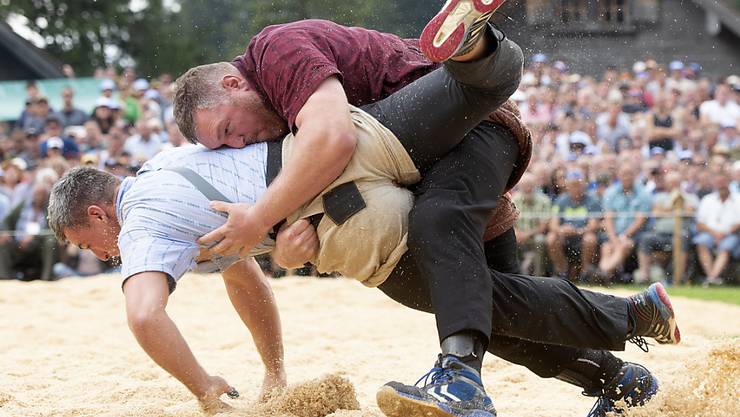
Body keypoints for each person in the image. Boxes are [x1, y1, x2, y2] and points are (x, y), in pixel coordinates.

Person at [49, 32, 679, 417]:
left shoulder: (143, 224)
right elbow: (246, 278)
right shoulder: (166, 171)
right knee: (487, 315)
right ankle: (619, 380)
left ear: (101, 215)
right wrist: (273, 366)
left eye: (93, 247)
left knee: (462, 282)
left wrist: (207, 389)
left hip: (366, 177)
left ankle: (633, 318)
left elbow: (142, 315)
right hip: (389, 160)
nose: (110, 258)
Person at [174, 4, 532, 416]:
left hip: (464, 118)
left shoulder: (275, 49)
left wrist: (259, 219)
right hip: (430, 162)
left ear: (234, 83)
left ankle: (473, 46)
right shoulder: (273, 122)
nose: (237, 144)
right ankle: (617, 379)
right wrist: (287, 250)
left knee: (438, 226)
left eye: (226, 130)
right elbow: (322, 185)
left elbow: (335, 138)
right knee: (506, 315)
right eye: (224, 146)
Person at [546, 169, 602, 281]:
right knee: (551, 238)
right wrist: (561, 230)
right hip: (565, 237)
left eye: (578, 185)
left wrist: (578, 231)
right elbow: (553, 224)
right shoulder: (560, 201)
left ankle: (585, 272)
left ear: (584, 185)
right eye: (573, 185)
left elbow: (594, 225)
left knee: (590, 239)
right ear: (567, 186)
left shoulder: (592, 200)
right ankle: (562, 271)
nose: (576, 188)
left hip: (583, 235)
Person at [693, 169, 740, 285]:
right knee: (701, 243)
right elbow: (700, 223)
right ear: (714, 184)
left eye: (723, 182)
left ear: (729, 182)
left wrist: (725, 233)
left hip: (731, 234)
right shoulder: (707, 199)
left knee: (726, 247)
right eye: (718, 183)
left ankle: (711, 278)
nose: (721, 185)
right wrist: (715, 234)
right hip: (710, 234)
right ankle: (712, 278)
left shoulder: (738, 199)